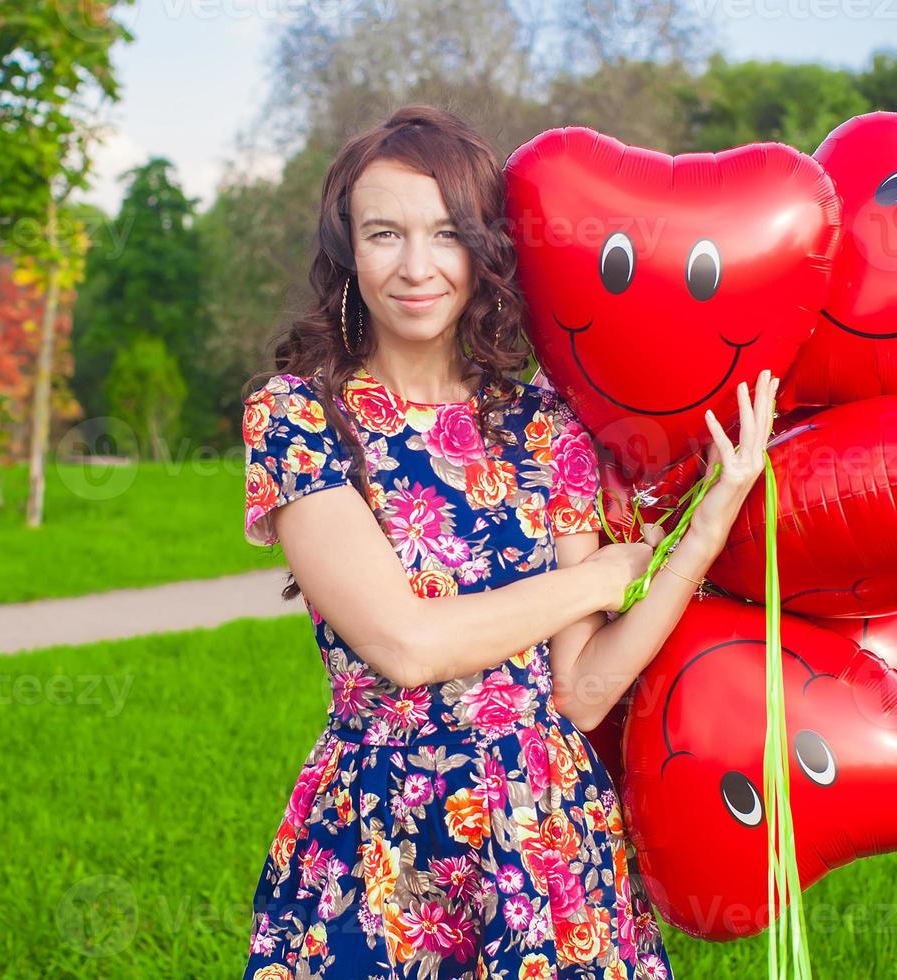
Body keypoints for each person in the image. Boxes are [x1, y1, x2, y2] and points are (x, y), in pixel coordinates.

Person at [239, 104, 777, 979]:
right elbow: (407, 646)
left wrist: (707, 526)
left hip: (549, 832)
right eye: (384, 233)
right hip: (385, 836)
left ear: (483, 251)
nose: (417, 267)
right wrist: (599, 578)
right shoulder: (300, 416)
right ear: (348, 252)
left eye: (447, 234)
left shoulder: (541, 425)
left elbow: (586, 691)